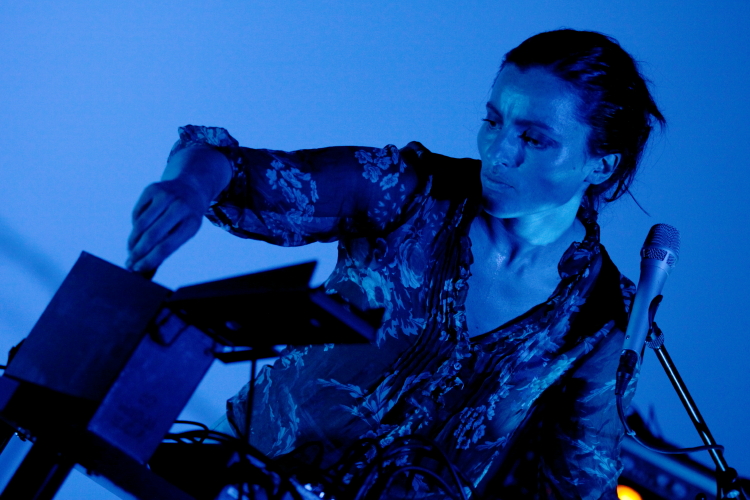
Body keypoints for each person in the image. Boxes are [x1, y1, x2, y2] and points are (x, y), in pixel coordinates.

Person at [127, 29, 664, 499]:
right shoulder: (411, 191)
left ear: (601, 164)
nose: (500, 152)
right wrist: (189, 187)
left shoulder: (605, 316)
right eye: (493, 121)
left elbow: (580, 479)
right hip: (242, 482)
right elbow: (237, 171)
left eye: (533, 138)